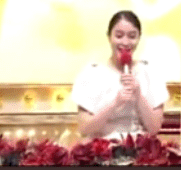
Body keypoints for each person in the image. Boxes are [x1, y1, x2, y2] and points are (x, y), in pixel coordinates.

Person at [71, 10, 169, 140]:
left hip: (140, 146)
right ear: (109, 37)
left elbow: (154, 128)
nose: (125, 42)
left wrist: (138, 95)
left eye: (132, 36)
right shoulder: (91, 74)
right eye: (119, 36)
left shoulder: (150, 73)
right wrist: (115, 103)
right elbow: (85, 128)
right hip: (103, 147)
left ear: (139, 38)